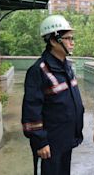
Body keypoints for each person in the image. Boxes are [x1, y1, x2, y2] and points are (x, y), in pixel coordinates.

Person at [21, 15, 84, 175]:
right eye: (68, 38)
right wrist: (41, 142)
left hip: (67, 139)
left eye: (72, 38)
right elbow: (31, 110)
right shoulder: (39, 70)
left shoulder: (67, 67)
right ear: (54, 40)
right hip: (50, 144)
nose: (72, 42)